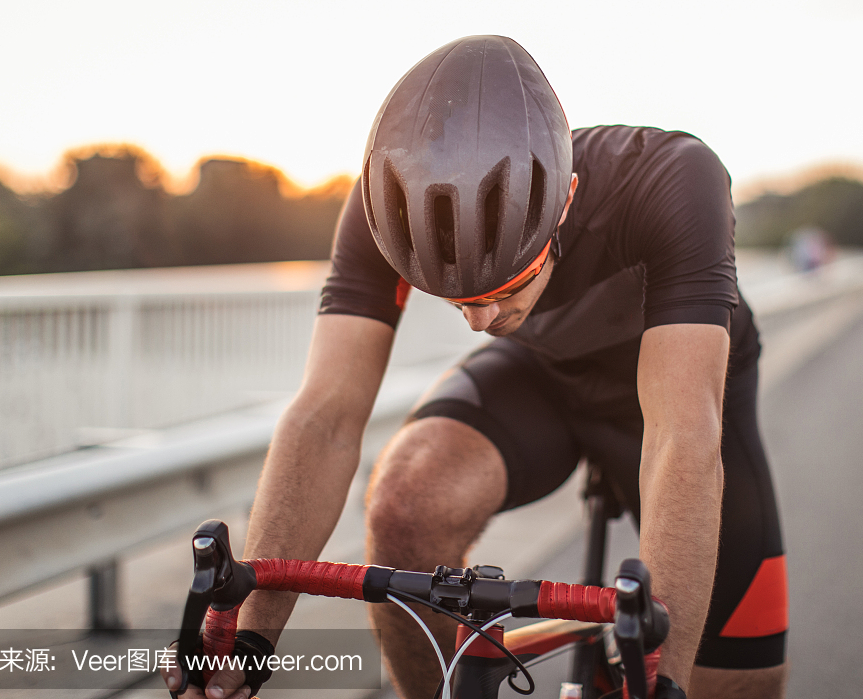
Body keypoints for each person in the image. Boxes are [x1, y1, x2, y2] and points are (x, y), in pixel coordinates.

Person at [163, 36, 787, 699]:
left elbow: (682, 436)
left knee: (735, 685)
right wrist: (251, 636)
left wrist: (664, 676)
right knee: (405, 499)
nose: (479, 322)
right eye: (456, 299)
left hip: (672, 402)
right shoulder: (386, 209)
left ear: (566, 202)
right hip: (542, 375)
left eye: (502, 291)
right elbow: (325, 416)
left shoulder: (670, 178)